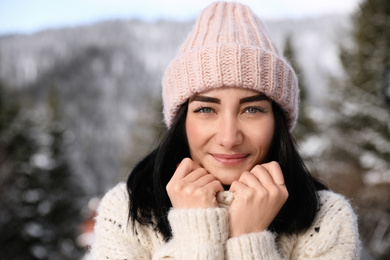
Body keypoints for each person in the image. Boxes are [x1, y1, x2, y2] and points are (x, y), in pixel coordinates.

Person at [91, 2, 361, 259]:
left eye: (252, 110)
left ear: (278, 121)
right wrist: (197, 233)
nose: (229, 138)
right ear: (181, 122)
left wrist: (249, 240)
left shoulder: (327, 217)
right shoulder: (128, 211)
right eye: (206, 110)